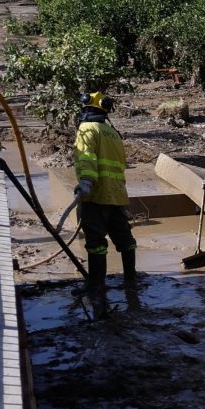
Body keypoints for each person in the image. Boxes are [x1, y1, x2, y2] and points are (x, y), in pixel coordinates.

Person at [73, 89, 137, 317]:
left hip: (96, 196)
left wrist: (87, 182)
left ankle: (97, 286)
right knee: (125, 241)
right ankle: (131, 279)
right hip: (117, 196)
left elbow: (86, 156)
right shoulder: (113, 132)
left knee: (97, 243)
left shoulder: (86, 128)